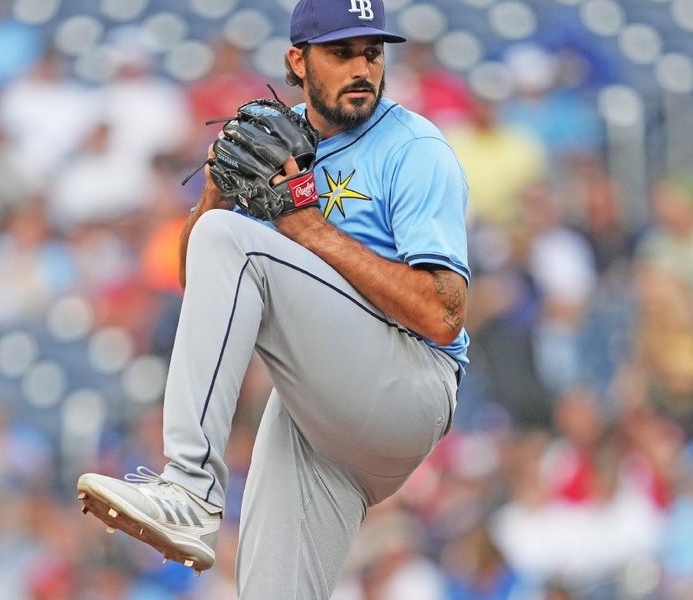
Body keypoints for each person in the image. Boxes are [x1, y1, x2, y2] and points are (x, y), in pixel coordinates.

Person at [77, 0, 470, 598]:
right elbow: (200, 281)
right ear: (297, 60)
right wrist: (212, 196)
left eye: (372, 52)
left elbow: (444, 314)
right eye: (341, 53)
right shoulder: (276, 141)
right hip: (320, 412)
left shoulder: (414, 148)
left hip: (408, 385)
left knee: (233, 241)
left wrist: (310, 230)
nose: (361, 67)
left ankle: (188, 486)